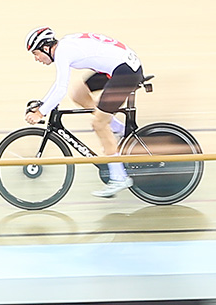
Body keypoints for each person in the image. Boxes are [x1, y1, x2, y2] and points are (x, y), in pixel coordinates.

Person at [24, 27, 143, 197]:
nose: (37, 59)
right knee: (78, 92)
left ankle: (119, 177)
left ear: (45, 48)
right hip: (121, 66)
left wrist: (41, 113)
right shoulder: (64, 46)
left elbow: (60, 89)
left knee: (98, 124)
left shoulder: (63, 51)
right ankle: (117, 129)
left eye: (36, 53)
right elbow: (60, 86)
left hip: (125, 71)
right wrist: (43, 105)